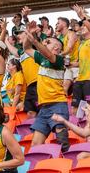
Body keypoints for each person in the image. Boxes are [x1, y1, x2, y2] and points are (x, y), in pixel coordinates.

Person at [22, 21, 71, 151]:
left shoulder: (59, 59)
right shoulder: (42, 59)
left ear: (57, 48)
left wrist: (36, 42)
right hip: (44, 108)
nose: (44, 43)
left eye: (48, 42)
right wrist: (30, 35)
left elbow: (49, 55)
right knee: (35, 146)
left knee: (62, 142)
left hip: (58, 105)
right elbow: (26, 48)